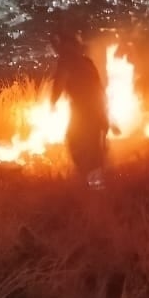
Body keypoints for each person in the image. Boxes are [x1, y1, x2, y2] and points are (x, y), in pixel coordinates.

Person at [49, 25, 109, 187]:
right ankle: (97, 187)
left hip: (83, 112)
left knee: (77, 143)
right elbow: (100, 88)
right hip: (97, 111)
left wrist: (53, 102)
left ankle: (91, 187)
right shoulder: (87, 62)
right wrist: (105, 115)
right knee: (94, 149)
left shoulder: (66, 62)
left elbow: (59, 83)